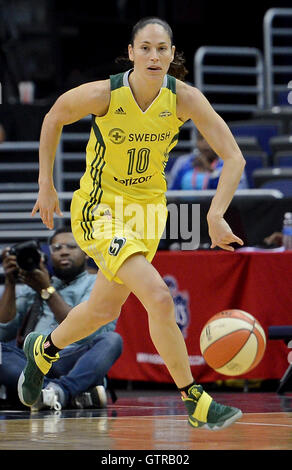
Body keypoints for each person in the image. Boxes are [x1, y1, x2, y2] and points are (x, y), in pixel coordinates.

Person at [18, 17, 246, 429]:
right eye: (145, 48)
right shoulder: (106, 94)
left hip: (146, 216)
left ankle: (43, 350)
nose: (154, 56)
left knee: (101, 309)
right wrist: (45, 185)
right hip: (100, 209)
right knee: (159, 296)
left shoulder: (185, 100)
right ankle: (194, 399)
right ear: (131, 52)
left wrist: (215, 214)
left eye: (162, 48)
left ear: (173, 54)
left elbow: (234, 157)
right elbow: (52, 116)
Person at [0, 227, 122, 410]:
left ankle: (54, 391)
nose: (63, 251)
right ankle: (67, 393)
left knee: (112, 340)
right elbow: (4, 331)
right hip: (32, 362)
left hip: (73, 358)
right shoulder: (35, 281)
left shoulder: (98, 283)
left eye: (72, 246)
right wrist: (10, 282)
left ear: (87, 252)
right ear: (49, 255)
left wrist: (47, 291)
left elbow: (86, 331)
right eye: (56, 248)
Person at [169, 132, 248, 190]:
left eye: (210, 138)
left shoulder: (232, 163)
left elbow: (239, 195)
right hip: (185, 210)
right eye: (201, 138)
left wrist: (211, 171)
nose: (205, 143)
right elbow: (172, 191)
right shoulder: (183, 162)